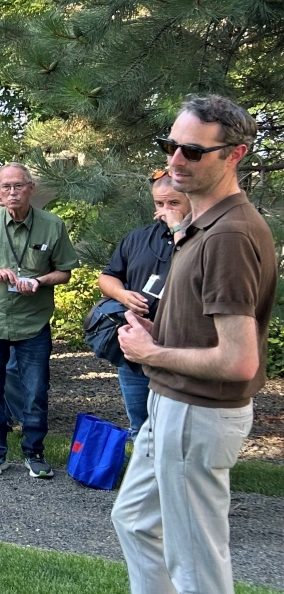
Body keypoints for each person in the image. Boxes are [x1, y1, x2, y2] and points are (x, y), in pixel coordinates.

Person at [110, 94, 275, 594]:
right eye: (170, 145)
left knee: (197, 559)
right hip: (170, 406)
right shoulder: (200, 225)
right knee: (133, 519)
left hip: (199, 413)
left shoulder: (231, 234)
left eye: (192, 150)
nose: (176, 159)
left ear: (233, 155)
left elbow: (239, 362)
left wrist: (151, 352)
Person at [0, 162, 78, 479]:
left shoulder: (52, 226)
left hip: (33, 320)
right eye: (5, 187)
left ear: (30, 188)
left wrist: (40, 280)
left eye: (18, 186)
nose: (11, 192)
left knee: (36, 389)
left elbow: (64, 271)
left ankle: (34, 453)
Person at [97, 172, 189, 436]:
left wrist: (178, 230)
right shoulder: (138, 238)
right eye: (159, 204)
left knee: (174, 430)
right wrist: (123, 295)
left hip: (178, 349)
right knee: (140, 427)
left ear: (190, 199)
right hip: (135, 349)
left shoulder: (201, 241)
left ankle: (169, 477)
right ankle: (146, 476)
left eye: (173, 203)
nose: (164, 211)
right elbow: (108, 276)